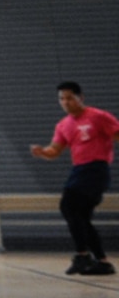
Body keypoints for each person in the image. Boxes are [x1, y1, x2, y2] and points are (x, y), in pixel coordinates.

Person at [30, 81, 118, 276]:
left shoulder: (98, 117)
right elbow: (55, 151)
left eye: (70, 97)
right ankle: (102, 261)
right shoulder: (63, 125)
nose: (65, 102)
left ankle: (82, 255)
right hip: (79, 170)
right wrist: (42, 151)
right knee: (81, 217)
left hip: (96, 169)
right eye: (62, 98)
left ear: (81, 98)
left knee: (68, 205)